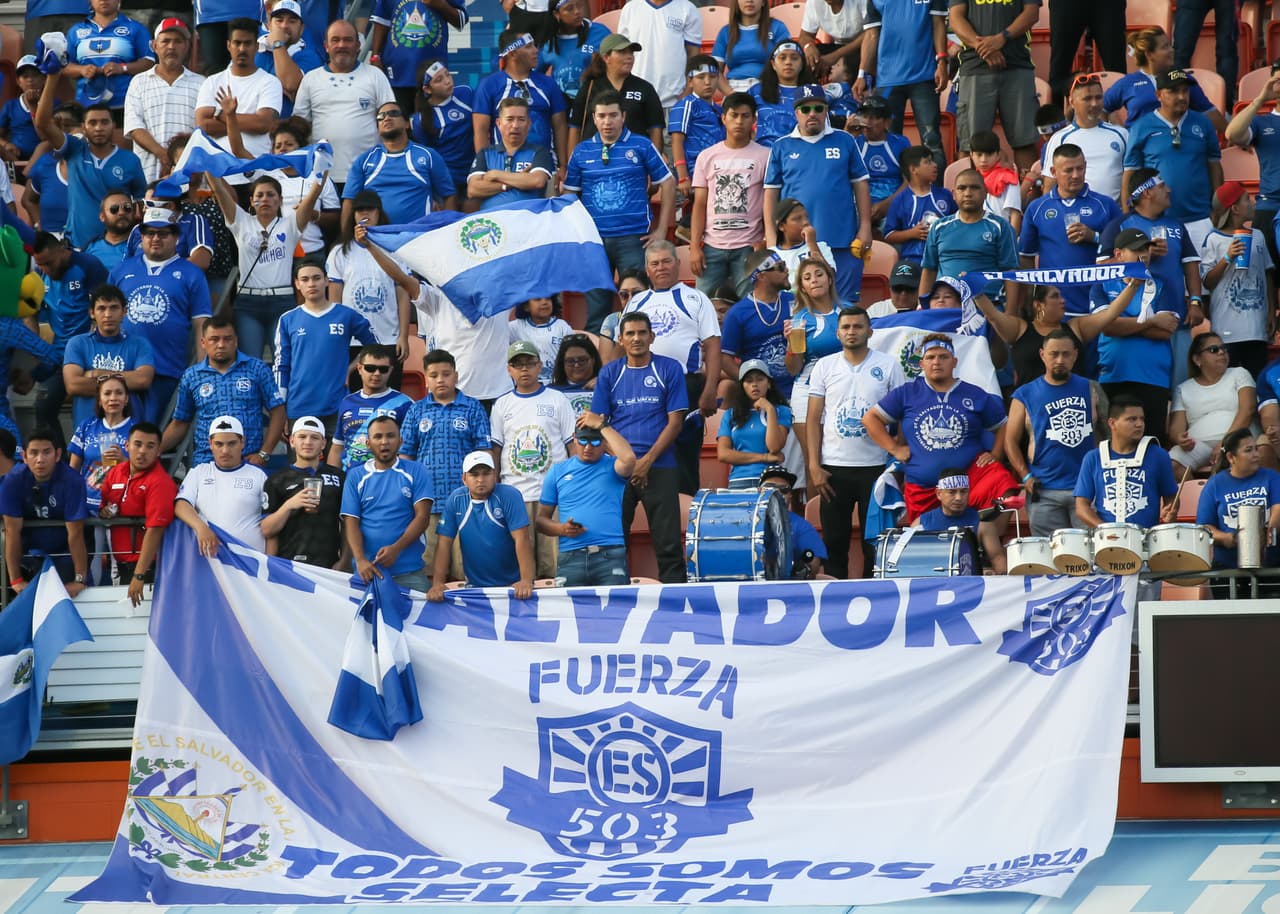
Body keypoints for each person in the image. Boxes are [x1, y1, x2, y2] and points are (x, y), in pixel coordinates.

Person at [863, 333, 1018, 568]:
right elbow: (871, 418)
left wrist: (995, 454)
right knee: (924, 542)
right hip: (923, 486)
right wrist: (894, 448)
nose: (937, 362)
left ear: (954, 362)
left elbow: (1002, 425)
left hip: (969, 480)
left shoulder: (973, 393)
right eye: (931, 357)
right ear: (922, 363)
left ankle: (986, 546)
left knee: (1004, 485)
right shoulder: (907, 392)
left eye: (943, 357)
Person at [585, 310, 689, 583]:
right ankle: (616, 598)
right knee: (615, 542)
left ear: (652, 336)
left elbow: (676, 422)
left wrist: (646, 461)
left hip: (661, 466)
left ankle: (675, 599)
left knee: (668, 544)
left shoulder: (669, 368)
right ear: (620, 339)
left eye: (642, 332)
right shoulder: (609, 373)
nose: (637, 338)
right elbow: (598, 424)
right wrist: (626, 461)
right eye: (630, 333)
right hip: (619, 470)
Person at [564, 91, 674, 333]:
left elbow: (667, 181)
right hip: (594, 241)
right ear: (594, 118)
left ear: (623, 116)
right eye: (602, 116)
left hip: (634, 239)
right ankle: (599, 367)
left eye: (613, 115)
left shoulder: (641, 144)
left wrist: (662, 229)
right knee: (597, 311)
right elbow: (569, 196)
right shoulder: (582, 151)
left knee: (638, 308)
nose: (607, 121)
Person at [807, 306, 903, 578]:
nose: (852, 332)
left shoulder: (888, 365)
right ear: (837, 333)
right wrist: (814, 464)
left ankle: (876, 599)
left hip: (876, 468)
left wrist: (898, 461)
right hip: (833, 467)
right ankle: (835, 601)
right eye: (846, 327)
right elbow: (814, 419)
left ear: (869, 331)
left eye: (858, 326)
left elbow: (901, 416)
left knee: (875, 541)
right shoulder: (825, 366)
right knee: (835, 542)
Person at [622, 240, 722, 493]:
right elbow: (619, 346)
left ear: (678, 264)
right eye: (655, 263)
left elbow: (712, 345)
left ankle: (685, 514)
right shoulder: (636, 302)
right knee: (643, 447)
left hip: (685, 385)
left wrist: (710, 388)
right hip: (641, 384)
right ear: (647, 269)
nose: (661, 267)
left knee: (684, 454)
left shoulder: (696, 298)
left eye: (667, 261)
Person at [1099, 168, 1205, 392]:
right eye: (1162, 185)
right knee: (1145, 388)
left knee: (1180, 388)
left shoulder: (1176, 225)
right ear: (1146, 192)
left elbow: (1191, 263)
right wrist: (1143, 256)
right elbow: (1101, 270)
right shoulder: (1118, 226)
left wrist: (1195, 300)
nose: (1169, 189)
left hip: (1176, 319)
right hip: (1134, 319)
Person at [764, 85, 872, 302]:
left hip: (842, 240)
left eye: (818, 108)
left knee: (845, 305)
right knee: (799, 307)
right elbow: (770, 194)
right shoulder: (781, 146)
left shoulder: (845, 140)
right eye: (805, 109)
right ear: (796, 113)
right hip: (796, 247)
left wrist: (866, 227)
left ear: (826, 111)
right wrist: (771, 237)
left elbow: (860, 184)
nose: (812, 113)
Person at [207, 171, 324, 361]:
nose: (265, 199)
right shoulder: (241, 221)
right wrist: (207, 165)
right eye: (259, 195)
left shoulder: (290, 223)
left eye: (271, 195)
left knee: (284, 362)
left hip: (282, 302)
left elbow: (314, 194)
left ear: (280, 200)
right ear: (251, 201)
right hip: (247, 304)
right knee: (250, 362)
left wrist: (323, 168)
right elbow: (219, 190)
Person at [399, 348, 491, 582]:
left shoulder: (472, 408)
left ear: (456, 375)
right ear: (426, 378)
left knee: (466, 567)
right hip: (427, 500)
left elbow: (485, 453)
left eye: (446, 374)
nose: (440, 379)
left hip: (466, 500)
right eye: (434, 375)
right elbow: (406, 456)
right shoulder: (416, 410)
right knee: (429, 567)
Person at [111, 206, 212, 419]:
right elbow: (103, 320)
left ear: (176, 237)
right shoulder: (121, 270)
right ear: (141, 236)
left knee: (153, 437)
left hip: (168, 369)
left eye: (163, 233)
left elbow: (201, 325)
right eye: (149, 233)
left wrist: (204, 371)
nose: (155, 238)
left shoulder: (192, 273)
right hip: (123, 371)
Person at [491, 340, 577, 579]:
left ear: (540, 366)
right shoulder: (502, 404)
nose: (524, 370)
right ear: (509, 370)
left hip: (553, 494)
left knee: (555, 568)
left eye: (529, 363)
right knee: (521, 569)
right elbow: (496, 451)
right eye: (518, 365)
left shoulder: (557, 400)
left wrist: (574, 484)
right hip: (515, 495)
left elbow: (572, 446)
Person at [33, 72, 147, 249]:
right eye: (92, 123)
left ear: (113, 126)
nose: (99, 128)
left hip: (118, 249)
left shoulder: (130, 160)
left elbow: (140, 206)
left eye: (104, 122)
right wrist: (53, 77)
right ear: (83, 128)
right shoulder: (73, 149)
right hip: (77, 247)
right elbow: (42, 123)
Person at [1089, 227, 1178, 441]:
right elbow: (1107, 326)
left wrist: (1123, 323)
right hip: (1114, 375)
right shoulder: (1102, 283)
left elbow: (1165, 330)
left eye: (1146, 249)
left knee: (1150, 444)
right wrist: (1151, 320)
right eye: (1137, 249)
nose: (1144, 254)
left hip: (1153, 378)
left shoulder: (1163, 284)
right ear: (1119, 254)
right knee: (1113, 444)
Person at [1006, 328, 1097, 536]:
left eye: (1065, 354)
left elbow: (1107, 435)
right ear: (1042, 355)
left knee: (1091, 556)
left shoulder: (1091, 388)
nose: (1059, 360)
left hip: (1085, 489)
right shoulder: (1025, 394)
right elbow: (1010, 441)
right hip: (1043, 488)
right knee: (1049, 557)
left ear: (1075, 355)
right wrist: (1025, 475)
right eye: (1053, 354)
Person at [163, 317, 286, 468]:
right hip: (206, 463)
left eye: (227, 339)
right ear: (203, 342)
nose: (221, 345)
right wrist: (155, 449)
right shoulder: (191, 376)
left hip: (248, 462)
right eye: (214, 339)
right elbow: (180, 423)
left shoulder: (257, 369)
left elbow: (278, 411)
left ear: (236, 341)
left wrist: (264, 454)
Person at [1019, 143, 1123, 318]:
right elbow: (1026, 256)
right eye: (1068, 170)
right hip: (1053, 311)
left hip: (1098, 307)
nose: (1076, 175)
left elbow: (1126, 251)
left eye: (1080, 168)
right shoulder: (1037, 208)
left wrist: (1095, 237)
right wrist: (1033, 295)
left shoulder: (1105, 205)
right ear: (1053, 172)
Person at [274, 261, 377, 430]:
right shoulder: (287, 319)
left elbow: (374, 347)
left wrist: (352, 368)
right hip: (298, 406)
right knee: (301, 457)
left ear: (327, 280)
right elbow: (281, 367)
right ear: (297, 284)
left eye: (316, 278)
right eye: (305, 279)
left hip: (338, 406)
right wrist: (281, 407)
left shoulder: (346, 315)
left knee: (337, 456)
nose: (311, 284)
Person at [977, 280, 1136, 389]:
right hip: (1031, 411)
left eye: (1061, 295)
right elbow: (992, 315)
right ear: (1038, 305)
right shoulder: (1019, 329)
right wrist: (974, 289)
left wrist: (1134, 284)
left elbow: (1111, 313)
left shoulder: (1076, 328)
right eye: (1055, 296)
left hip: (1073, 408)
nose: (1063, 301)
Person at [1123, 68, 1223, 239]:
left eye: (1185, 91)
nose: (1182, 97)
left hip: (1202, 218)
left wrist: (1219, 209)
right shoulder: (1141, 127)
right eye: (1174, 91)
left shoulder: (1203, 123)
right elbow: (1130, 174)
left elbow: (1214, 166)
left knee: (1204, 267)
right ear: (1158, 95)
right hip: (1158, 220)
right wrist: (1128, 217)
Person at [536, 418, 636, 586]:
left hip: (610, 554)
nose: (588, 447)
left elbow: (629, 459)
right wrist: (562, 529)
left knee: (615, 611)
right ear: (574, 438)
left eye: (595, 441)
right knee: (568, 611)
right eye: (583, 440)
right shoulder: (557, 471)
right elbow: (540, 521)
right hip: (571, 555)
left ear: (604, 442)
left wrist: (603, 426)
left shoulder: (613, 466)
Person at [689, 92, 770, 298]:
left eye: (745, 116)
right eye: (734, 115)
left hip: (748, 246)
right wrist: (694, 247)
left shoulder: (765, 155)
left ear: (754, 119)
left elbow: (771, 202)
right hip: (711, 245)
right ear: (723, 118)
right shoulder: (707, 156)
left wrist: (765, 240)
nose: (739, 121)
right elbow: (699, 204)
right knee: (701, 304)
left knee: (751, 302)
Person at [293, 21, 395, 185]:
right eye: (335, 40)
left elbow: (391, 123)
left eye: (348, 40)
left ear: (358, 45)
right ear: (326, 46)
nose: (342, 45)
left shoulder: (375, 76)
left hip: (367, 175)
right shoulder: (311, 79)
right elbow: (298, 127)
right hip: (321, 178)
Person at [341, 414, 434, 590]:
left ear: (400, 441)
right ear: (368, 444)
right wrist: (360, 560)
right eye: (378, 437)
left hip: (409, 573)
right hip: (366, 572)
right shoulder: (355, 476)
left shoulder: (417, 470)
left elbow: (423, 518)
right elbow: (351, 521)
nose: (384, 442)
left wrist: (396, 549)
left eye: (390, 436)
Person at [947, 0, 1041, 172]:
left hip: (1017, 65)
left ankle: (1028, 197)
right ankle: (971, 198)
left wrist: (1002, 38)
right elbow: (955, 18)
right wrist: (984, 47)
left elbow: (1032, 13)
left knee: (1025, 141)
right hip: (974, 67)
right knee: (970, 145)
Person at [426, 450, 534, 598]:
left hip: (512, 585)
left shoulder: (509, 495)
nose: (480, 479)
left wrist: (526, 580)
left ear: (495, 475)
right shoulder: (456, 499)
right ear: (464, 478)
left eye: (486, 473)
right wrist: (438, 583)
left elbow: (522, 538)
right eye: (474, 474)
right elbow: (444, 543)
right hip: (475, 588)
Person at [31, 232, 111, 433]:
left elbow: (102, 310)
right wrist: (36, 349)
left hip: (86, 352)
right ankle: (57, 461)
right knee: (40, 404)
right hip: (57, 353)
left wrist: (91, 350)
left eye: (49, 263)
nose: (45, 270)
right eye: (40, 264)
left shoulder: (88, 266)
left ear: (62, 250)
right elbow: (31, 313)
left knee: (85, 413)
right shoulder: (38, 275)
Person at [326, 193, 414, 372]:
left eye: (370, 209)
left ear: (379, 212)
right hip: (352, 339)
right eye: (359, 210)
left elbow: (403, 295)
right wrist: (340, 337)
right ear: (353, 215)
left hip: (389, 337)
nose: (365, 213)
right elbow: (335, 299)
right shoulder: (339, 251)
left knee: (388, 396)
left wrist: (403, 336)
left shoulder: (395, 249)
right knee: (355, 397)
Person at [855, 0, 948, 167]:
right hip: (888, 80)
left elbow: (938, 23)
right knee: (886, 140)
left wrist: (942, 62)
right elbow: (871, 34)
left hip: (925, 76)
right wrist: (862, 73)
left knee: (932, 140)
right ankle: (894, 188)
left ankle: (936, 192)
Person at [0, 426, 90, 595]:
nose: (40, 459)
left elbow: (76, 534)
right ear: (24, 457)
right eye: (34, 453)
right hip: (29, 553)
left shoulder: (73, 481)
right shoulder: (12, 481)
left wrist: (80, 579)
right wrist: (16, 580)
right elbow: (12, 532)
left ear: (57, 455)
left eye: (46, 452)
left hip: (66, 553)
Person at [1074, 395, 1179, 537]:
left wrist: (1171, 511)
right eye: (1132, 419)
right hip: (1107, 542)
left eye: (1142, 419)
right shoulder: (1093, 458)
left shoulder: (1158, 455)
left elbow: (1171, 497)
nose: (1139, 424)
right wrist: (1105, 529)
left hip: (1147, 540)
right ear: (1112, 423)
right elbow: (1081, 506)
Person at [1200, 182, 1275, 380]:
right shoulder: (1213, 240)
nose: (1252, 202)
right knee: (1230, 383)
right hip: (1227, 330)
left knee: (1258, 380)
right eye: (1246, 199)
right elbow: (1207, 282)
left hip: (1257, 328)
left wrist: (1271, 312)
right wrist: (1227, 257)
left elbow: (1268, 274)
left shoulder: (1258, 236)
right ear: (1234, 209)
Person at [67, 373, 136, 582]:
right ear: (99, 399)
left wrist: (125, 459)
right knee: (91, 558)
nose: (113, 398)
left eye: (118, 393)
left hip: (120, 505)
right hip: (89, 504)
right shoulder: (87, 426)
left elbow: (146, 469)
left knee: (119, 560)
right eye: (107, 393)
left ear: (126, 399)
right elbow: (72, 470)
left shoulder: (136, 429)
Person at [97, 421, 175, 605]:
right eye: (137, 444)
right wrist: (104, 511)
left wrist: (139, 575)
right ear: (127, 446)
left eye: (150, 446)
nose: (142, 451)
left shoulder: (160, 483)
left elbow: (155, 530)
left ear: (158, 451)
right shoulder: (115, 472)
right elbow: (100, 503)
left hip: (150, 568)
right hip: (120, 563)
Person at [1197, 429, 1280, 599]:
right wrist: (1226, 538)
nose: (1256, 454)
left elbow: (1278, 508)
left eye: (1256, 449)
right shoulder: (1215, 484)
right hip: (1228, 568)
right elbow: (1205, 526)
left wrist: (1268, 532)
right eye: (1248, 450)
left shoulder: (1271, 477)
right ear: (1231, 458)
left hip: (1270, 566)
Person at [344, 99, 456, 225]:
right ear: (378, 128)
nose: (387, 118)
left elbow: (448, 195)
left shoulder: (429, 155)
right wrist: (346, 239)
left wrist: (444, 228)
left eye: (393, 113)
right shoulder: (364, 160)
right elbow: (349, 200)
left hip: (419, 236)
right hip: (376, 237)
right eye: (381, 117)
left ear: (407, 123)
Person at [785, 256, 845, 487]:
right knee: (815, 465)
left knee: (842, 462)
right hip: (807, 391)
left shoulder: (849, 312)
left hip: (845, 389)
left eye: (819, 274)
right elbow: (793, 369)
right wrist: (791, 345)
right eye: (807, 278)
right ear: (802, 287)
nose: (814, 280)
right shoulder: (799, 320)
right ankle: (816, 522)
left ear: (829, 279)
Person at [918, 168, 1018, 304]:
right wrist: (921, 307)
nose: (968, 193)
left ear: (985, 192)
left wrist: (1010, 313)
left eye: (974, 188)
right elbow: (929, 269)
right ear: (954, 194)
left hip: (989, 305)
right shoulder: (939, 227)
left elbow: (1010, 271)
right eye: (962, 188)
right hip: (946, 306)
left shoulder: (1000, 226)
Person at [62, 283, 155, 429]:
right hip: (87, 432)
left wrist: (96, 373)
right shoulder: (77, 343)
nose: (108, 314)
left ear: (124, 311)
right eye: (101, 308)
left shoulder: (140, 344)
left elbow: (143, 380)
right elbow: (73, 385)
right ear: (92, 313)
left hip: (129, 434)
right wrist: (126, 380)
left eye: (114, 308)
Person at [474, 29, 567, 172]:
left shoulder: (548, 84)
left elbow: (560, 126)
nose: (536, 51)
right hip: (502, 169)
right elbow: (480, 130)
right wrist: (483, 169)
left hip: (545, 168)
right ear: (512, 54)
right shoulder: (489, 85)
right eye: (529, 47)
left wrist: (563, 166)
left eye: (535, 45)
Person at [124, 17, 204, 182]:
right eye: (165, 41)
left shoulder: (201, 83)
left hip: (191, 175)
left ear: (187, 46)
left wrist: (179, 158)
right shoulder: (139, 82)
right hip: (148, 176)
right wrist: (165, 155)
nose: (171, 47)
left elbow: (203, 131)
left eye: (178, 41)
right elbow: (134, 127)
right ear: (154, 45)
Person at [175, 414, 269, 554]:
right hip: (213, 563)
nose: (225, 450)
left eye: (231, 443)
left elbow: (271, 522)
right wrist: (201, 527)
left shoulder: (259, 475)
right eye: (219, 444)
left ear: (242, 442)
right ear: (210, 444)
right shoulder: (199, 472)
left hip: (251, 563)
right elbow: (181, 505)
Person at [263, 415, 346, 569]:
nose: (308, 442)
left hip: (329, 566)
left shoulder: (339, 477)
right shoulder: (277, 479)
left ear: (323, 443)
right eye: (302, 437)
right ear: (292, 442)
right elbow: (267, 530)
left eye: (314, 437)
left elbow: (348, 523)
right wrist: (289, 505)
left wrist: (344, 561)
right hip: (290, 565)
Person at [1103, 28, 1226, 132]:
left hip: (1176, 145)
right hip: (1138, 150)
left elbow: (1208, 112)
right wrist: (1116, 135)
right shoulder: (1127, 83)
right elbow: (1102, 109)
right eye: (1165, 47)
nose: (1171, 50)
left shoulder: (1182, 78)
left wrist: (1233, 135)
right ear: (1149, 54)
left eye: (1170, 45)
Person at [1168, 332, 1257, 477]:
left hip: (1238, 440)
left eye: (1224, 348)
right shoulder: (1183, 389)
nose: (1221, 352)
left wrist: (1224, 444)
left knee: (1232, 458)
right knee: (1172, 464)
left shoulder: (1239, 374)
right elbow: (1176, 428)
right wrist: (1180, 438)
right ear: (1197, 359)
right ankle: (1196, 499)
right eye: (1214, 350)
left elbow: (1247, 410)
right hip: (1199, 444)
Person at [193, 19, 283, 157]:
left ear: (257, 46)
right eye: (237, 43)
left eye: (247, 43)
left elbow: (263, 124)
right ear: (229, 45)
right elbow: (204, 126)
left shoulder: (270, 82)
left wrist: (220, 115)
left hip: (257, 169)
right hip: (219, 170)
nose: (242, 49)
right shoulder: (211, 82)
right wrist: (246, 123)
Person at [1041, 73, 1129, 205]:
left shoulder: (1121, 134)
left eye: (1098, 97)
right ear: (1072, 102)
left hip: (1114, 216)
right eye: (1087, 99)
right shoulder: (1059, 138)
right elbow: (1050, 185)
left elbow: (1131, 177)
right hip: (1075, 216)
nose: (1094, 104)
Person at [367, 0, 466, 115]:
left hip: (433, 76)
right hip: (396, 73)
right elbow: (381, 21)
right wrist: (375, 56)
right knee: (400, 126)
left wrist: (439, 4)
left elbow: (461, 21)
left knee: (434, 126)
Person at [568, 34, 664, 149]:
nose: (629, 57)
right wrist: (572, 164)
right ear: (606, 58)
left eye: (631, 53)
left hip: (635, 160)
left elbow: (656, 129)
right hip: (594, 159)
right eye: (622, 52)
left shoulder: (644, 88)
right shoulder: (589, 87)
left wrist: (654, 162)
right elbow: (575, 127)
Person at [1225, 64, 1280, 264]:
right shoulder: (1262, 122)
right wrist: (1260, 100)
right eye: (1277, 81)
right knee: (1267, 276)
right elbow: (1232, 134)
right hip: (1270, 205)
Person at [721, 249, 793, 398]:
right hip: (761, 397)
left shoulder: (794, 301)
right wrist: (748, 384)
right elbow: (725, 358)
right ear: (761, 275)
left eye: (784, 265)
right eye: (780, 267)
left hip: (797, 389)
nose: (786, 270)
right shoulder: (737, 313)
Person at [331, 346, 414, 470]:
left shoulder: (405, 404)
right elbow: (337, 447)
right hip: (349, 479)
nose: (376, 374)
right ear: (359, 368)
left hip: (386, 479)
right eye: (370, 368)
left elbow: (409, 450)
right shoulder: (347, 402)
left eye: (383, 369)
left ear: (391, 370)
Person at [64, 0, 154, 114]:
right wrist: (81, 70)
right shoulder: (76, 31)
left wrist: (122, 68)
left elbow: (149, 62)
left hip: (126, 103)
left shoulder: (136, 28)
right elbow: (64, 65)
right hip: (86, 105)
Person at [467, 96, 553, 212]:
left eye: (521, 120)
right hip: (493, 221)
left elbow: (537, 181)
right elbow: (473, 189)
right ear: (498, 123)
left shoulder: (539, 152)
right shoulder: (485, 153)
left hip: (529, 218)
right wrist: (510, 184)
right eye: (510, 119)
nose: (515, 125)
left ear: (529, 124)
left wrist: (495, 174)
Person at [718, 359, 790, 487]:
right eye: (749, 380)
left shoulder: (781, 411)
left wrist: (769, 409)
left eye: (760, 379)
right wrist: (764, 458)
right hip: (738, 480)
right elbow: (723, 454)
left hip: (769, 480)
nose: (754, 385)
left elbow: (774, 446)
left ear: (769, 383)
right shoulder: (730, 414)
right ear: (742, 386)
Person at [617, 0, 701, 109]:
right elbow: (621, 53)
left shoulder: (687, 8)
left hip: (674, 99)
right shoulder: (630, 9)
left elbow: (693, 54)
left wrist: (687, 92)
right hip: (636, 96)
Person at [412, 60, 476, 198]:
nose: (447, 81)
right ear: (427, 89)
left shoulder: (466, 93)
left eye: (448, 75)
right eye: (439, 80)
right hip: (446, 179)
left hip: (474, 172)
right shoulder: (421, 119)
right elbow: (426, 157)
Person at [882, 145, 954, 266]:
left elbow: (958, 223)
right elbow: (889, 235)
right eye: (928, 162)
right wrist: (912, 233)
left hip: (943, 259)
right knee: (902, 280)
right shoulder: (900, 200)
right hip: (911, 260)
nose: (935, 165)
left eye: (933, 161)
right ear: (913, 169)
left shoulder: (945, 195)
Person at [668, 57, 724, 205]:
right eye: (701, 77)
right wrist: (683, 177)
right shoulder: (686, 105)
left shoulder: (720, 110)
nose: (707, 82)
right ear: (690, 81)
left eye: (712, 77)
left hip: (718, 171)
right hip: (694, 173)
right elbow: (676, 142)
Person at [255, 0, 323, 115]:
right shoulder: (252, 48)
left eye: (292, 21)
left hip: (286, 128)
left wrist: (277, 43)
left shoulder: (309, 55)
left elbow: (290, 84)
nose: (284, 26)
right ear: (270, 25)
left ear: (301, 29)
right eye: (279, 20)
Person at [757, 464, 826, 577]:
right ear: (759, 491)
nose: (777, 493)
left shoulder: (802, 526)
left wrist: (802, 570)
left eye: (784, 489)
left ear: (790, 495)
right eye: (770, 488)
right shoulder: (744, 522)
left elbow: (813, 565)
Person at [852, 95, 909, 224]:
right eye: (864, 116)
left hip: (893, 202)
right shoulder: (853, 142)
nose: (867, 121)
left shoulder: (900, 143)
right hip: (859, 205)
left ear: (887, 122)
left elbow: (909, 181)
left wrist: (887, 205)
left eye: (874, 117)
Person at [539, 0, 611, 103]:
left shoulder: (600, 32)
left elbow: (616, 65)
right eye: (569, 8)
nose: (577, 11)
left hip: (595, 102)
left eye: (579, 5)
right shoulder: (549, 41)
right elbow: (535, 74)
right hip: (561, 106)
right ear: (556, 14)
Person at [750, 40, 817, 147]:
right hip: (763, 153)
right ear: (773, 64)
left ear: (802, 64)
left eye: (794, 58)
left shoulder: (811, 92)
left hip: (799, 153)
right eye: (782, 57)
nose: (788, 62)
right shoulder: (755, 91)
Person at [711, 0, 789, 92]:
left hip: (768, 88)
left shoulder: (777, 27)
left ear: (763, 2)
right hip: (734, 89)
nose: (749, 1)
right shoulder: (725, 32)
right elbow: (715, 70)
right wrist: (730, 93)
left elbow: (787, 62)